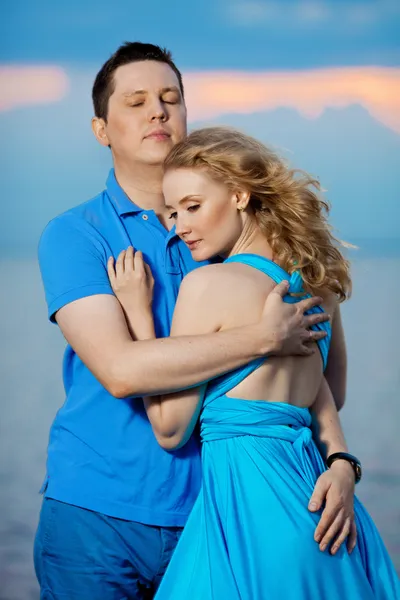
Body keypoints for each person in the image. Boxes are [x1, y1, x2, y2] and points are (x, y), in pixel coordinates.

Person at [35, 42, 356, 599]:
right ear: (101, 130)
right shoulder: (76, 234)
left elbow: (317, 385)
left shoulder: (222, 240)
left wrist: (342, 461)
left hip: (221, 515)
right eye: (135, 102)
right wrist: (261, 338)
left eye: (171, 98)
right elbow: (120, 371)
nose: (158, 111)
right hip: (98, 513)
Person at [108, 126, 400, 599]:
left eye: (193, 206)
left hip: (249, 514)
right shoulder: (317, 285)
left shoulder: (207, 286)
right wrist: (343, 461)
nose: (178, 226)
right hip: (322, 505)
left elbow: (170, 429)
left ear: (240, 195)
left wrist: (138, 312)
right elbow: (330, 394)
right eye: (173, 211)